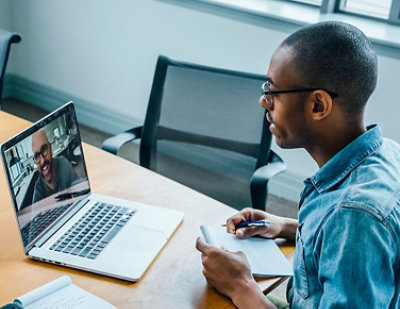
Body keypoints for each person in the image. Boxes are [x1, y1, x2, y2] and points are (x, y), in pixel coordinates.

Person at [196, 21, 400, 308]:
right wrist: (285, 227)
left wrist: (241, 286)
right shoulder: (386, 152)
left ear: (318, 105)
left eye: (273, 91)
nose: (262, 101)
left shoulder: (354, 216)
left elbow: (354, 228)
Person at [32, 129, 79, 203]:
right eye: (37, 156)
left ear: (50, 148)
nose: (43, 161)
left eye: (44, 149)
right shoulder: (39, 190)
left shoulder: (63, 164)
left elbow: (81, 191)